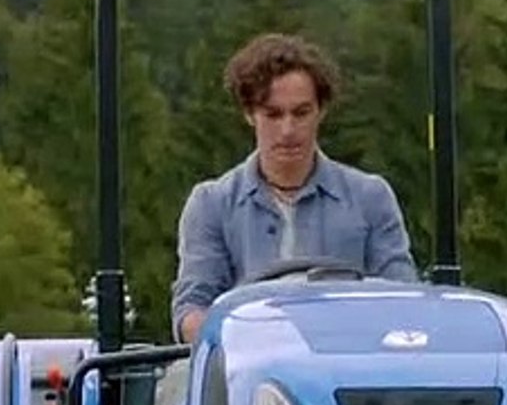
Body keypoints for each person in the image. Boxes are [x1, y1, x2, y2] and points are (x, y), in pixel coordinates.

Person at [168, 31, 419, 346]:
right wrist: (248, 337)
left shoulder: (370, 198)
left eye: (301, 113)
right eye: (273, 114)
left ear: (321, 111)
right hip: (248, 363)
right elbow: (191, 313)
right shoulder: (211, 204)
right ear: (249, 114)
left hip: (348, 358)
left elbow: (404, 302)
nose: (287, 130)